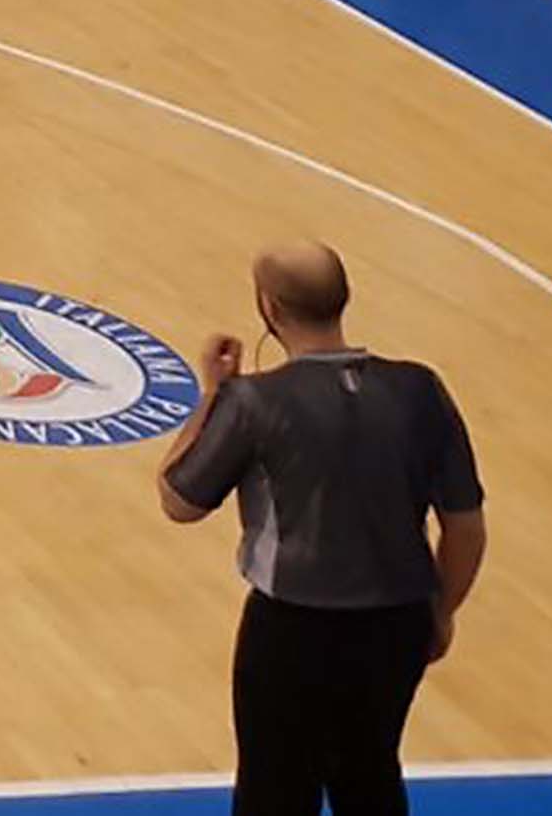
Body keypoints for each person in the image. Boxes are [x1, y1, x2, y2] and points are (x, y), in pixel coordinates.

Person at [156, 242, 486, 816]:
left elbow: (178, 498)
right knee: (372, 776)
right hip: (396, 625)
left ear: (270, 308)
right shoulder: (420, 390)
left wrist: (212, 394)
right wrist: (440, 611)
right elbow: (466, 527)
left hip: (291, 630)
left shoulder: (253, 402)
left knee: (274, 791)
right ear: (343, 297)